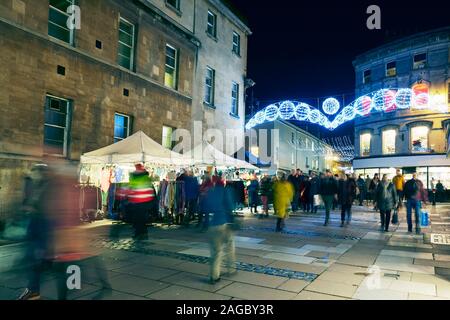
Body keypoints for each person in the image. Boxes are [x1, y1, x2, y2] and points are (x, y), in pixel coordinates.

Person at [207, 175, 236, 284]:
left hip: (212, 225)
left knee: (216, 252)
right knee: (230, 245)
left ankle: (214, 276)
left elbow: (205, 207)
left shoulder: (210, 192)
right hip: (224, 224)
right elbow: (230, 206)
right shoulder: (225, 191)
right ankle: (231, 268)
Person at [127, 163, 156, 240]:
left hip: (138, 201)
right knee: (141, 218)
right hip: (144, 202)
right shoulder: (146, 177)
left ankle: (139, 233)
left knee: (138, 218)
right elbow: (150, 189)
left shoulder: (135, 177)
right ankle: (143, 233)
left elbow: (132, 188)